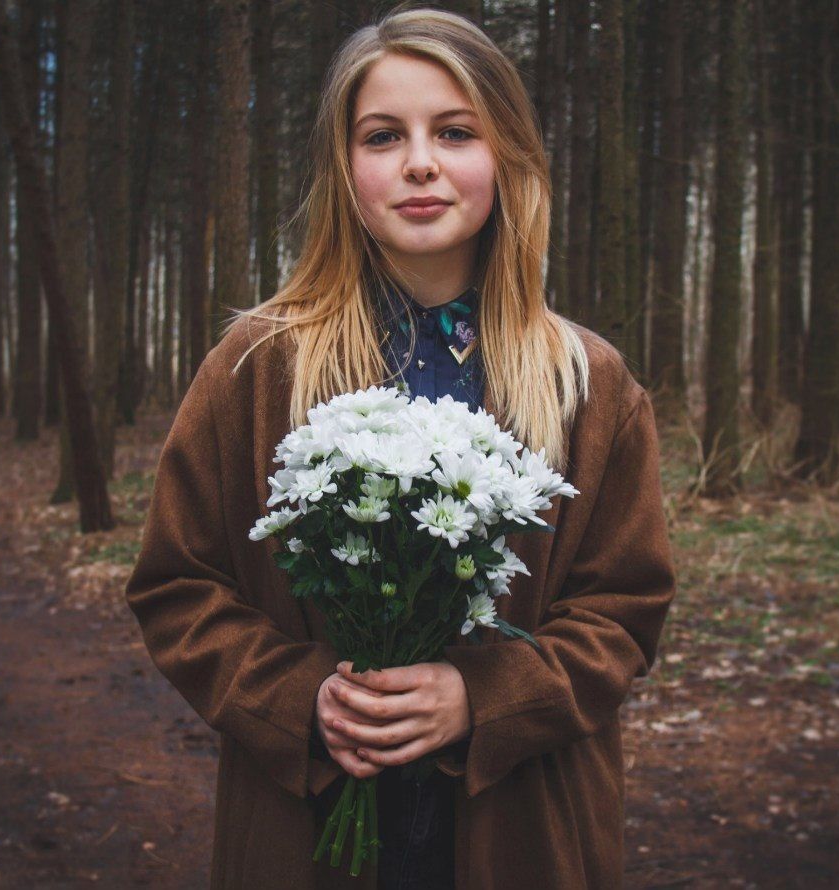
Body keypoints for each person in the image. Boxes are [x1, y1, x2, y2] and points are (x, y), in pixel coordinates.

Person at [124, 6, 676, 889]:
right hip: (308, 826)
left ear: (509, 158)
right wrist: (300, 697)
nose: (419, 161)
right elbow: (177, 586)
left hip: (520, 827)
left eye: (455, 131)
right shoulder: (261, 367)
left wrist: (484, 696)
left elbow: (623, 609)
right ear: (344, 170)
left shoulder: (587, 383)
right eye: (384, 136)